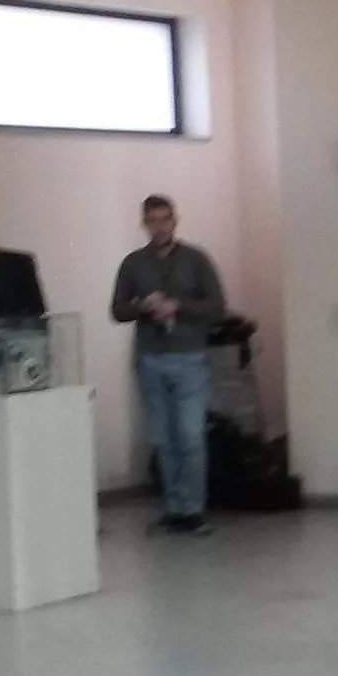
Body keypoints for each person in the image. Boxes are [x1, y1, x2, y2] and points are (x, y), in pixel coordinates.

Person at [109, 194, 229, 536]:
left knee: (190, 435)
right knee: (163, 438)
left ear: (175, 221)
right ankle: (174, 508)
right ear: (144, 223)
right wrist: (143, 307)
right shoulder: (134, 263)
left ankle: (194, 509)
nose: (159, 227)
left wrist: (178, 306)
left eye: (165, 219)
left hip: (189, 356)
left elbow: (217, 308)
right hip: (151, 357)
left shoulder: (196, 259)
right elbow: (117, 310)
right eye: (152, 220)